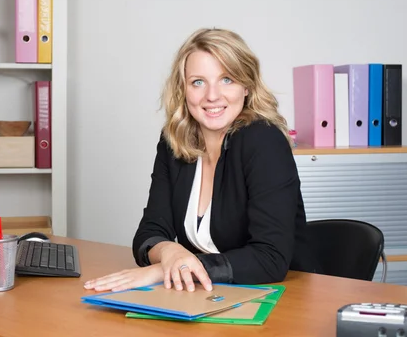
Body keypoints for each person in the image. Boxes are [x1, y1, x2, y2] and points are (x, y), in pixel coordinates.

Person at [84, 28, 319, 294]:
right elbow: (150, 232)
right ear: (183, 89)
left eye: (227, 79)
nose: (212, 95)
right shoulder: (174, 141)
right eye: (198, 82)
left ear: (247, 86)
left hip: (281, 298)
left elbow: (270, 259)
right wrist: (169, 251)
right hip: (208, 296)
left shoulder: (264, 141)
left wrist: (167, 269)